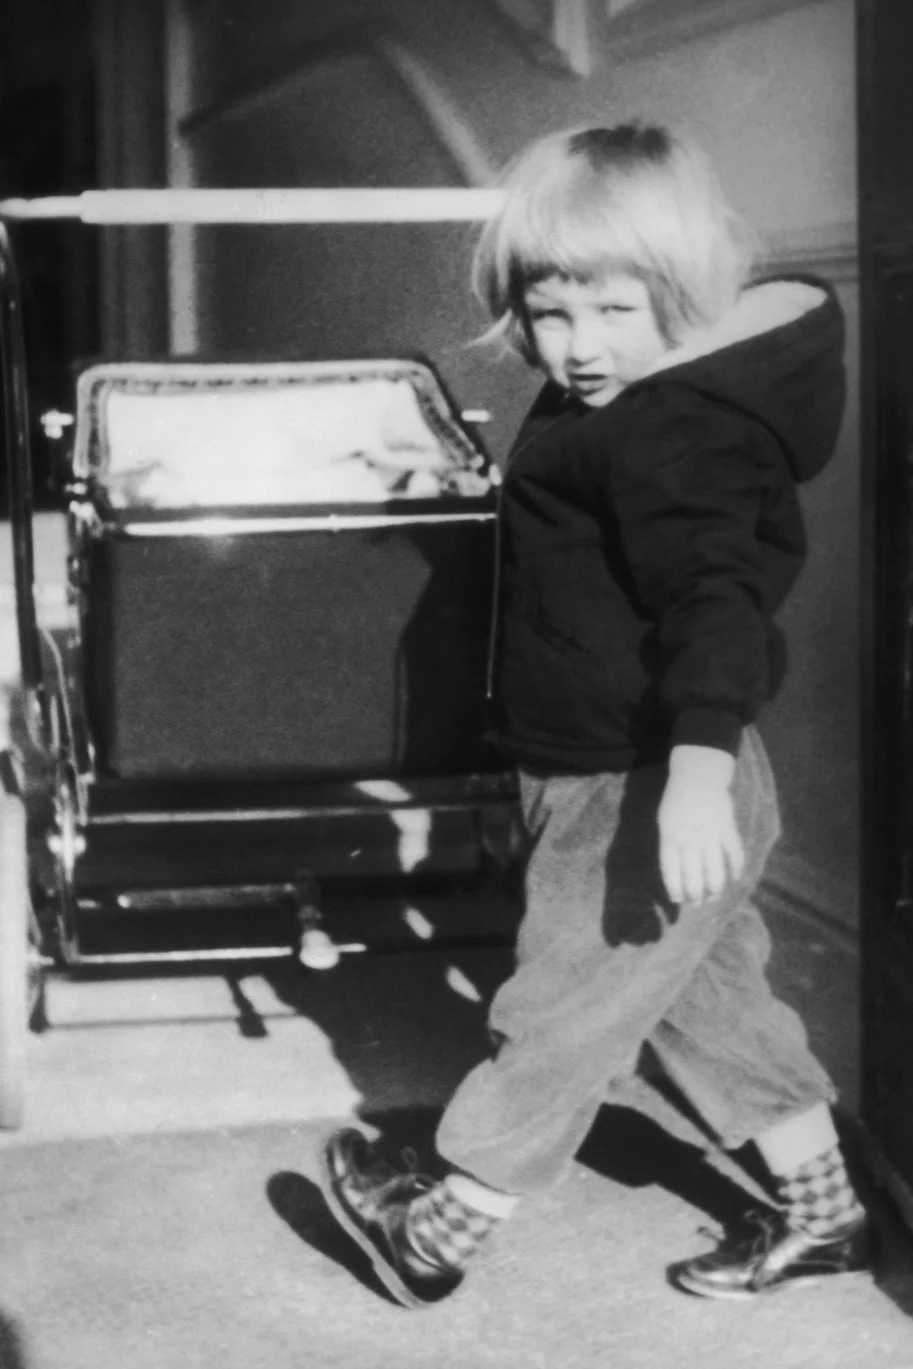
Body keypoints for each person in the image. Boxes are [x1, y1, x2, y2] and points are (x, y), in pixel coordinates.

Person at [319, 121, 871, 1309]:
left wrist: (696, 771)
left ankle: (441, 1228)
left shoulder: (676, 428)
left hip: (644, 778)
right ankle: (826, 1214)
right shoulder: (616, 394)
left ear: (687, 288)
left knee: (563, 1011)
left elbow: (716, 601)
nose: (577, 348)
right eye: (549, 313)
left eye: (615, 312)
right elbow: (576, 533)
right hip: (614, 763)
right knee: (710, 1004)